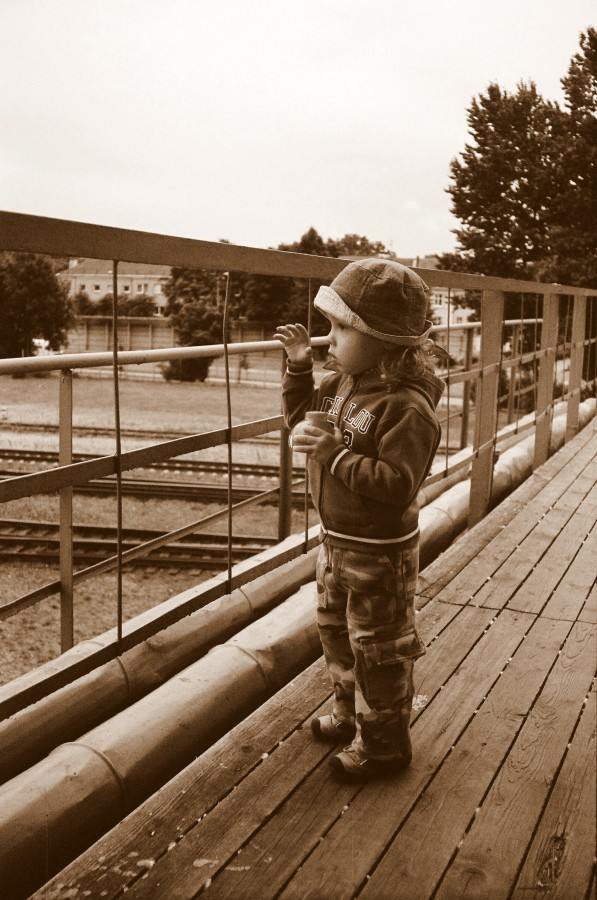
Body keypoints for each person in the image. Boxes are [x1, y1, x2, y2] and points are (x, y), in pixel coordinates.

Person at [275, 259, 445, 782]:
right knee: (336, 634)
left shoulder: (407, 408)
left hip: (380, 555)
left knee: (379, 651)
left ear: (385, 341)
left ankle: (384, 744)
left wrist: (334, 455)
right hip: (336, 544)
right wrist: (298, 369)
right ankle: (350, 716)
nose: (328, 339)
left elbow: (397, 485)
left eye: (341, 329)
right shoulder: (340, 384)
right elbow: (298, 420)